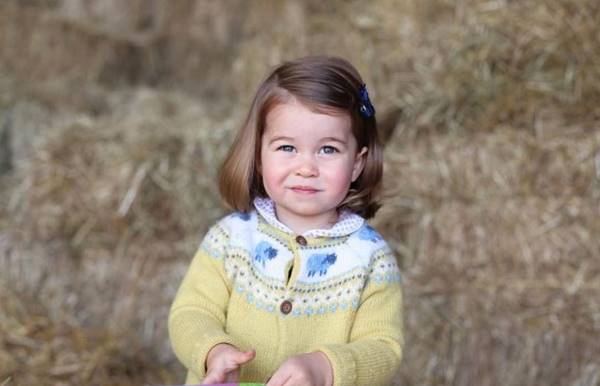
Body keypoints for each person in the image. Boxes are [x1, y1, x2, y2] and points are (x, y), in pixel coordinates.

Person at [168, 55, 403, 386]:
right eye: (287, 147)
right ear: (259, 156)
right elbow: (191, 312)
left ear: (357, 164)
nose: (306, 167)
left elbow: (383, 348)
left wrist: (325, 367)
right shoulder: (230, 239)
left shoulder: (371, 259)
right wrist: (213, 350)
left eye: (328, 150)